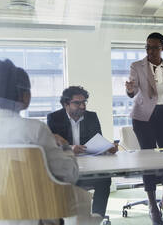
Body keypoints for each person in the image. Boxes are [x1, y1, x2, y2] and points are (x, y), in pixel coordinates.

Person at [0, 59, 82, 225]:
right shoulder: (35, 131)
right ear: (25, 96)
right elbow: (70, 174)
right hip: (36, 219)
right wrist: (65, 147)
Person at [125, 32, 163, 225]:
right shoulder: (137, 66)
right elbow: (133, 90)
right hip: (143, 117)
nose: (150, 51)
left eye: (155, 47)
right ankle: (152, 204)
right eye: (148, 47)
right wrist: (129, 89)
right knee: (148, 159)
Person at [47, 86, 117, 218]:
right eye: (77, 103)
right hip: (67, 167)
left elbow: (98, 140)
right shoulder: (54, 118)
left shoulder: (91, 117)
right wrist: (70, 148)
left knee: (105, 179)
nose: (82, 106)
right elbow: (50, 147)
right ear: (66, 104)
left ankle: (97, 217)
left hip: (90, 166)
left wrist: (108, 147)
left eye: (84, 102)